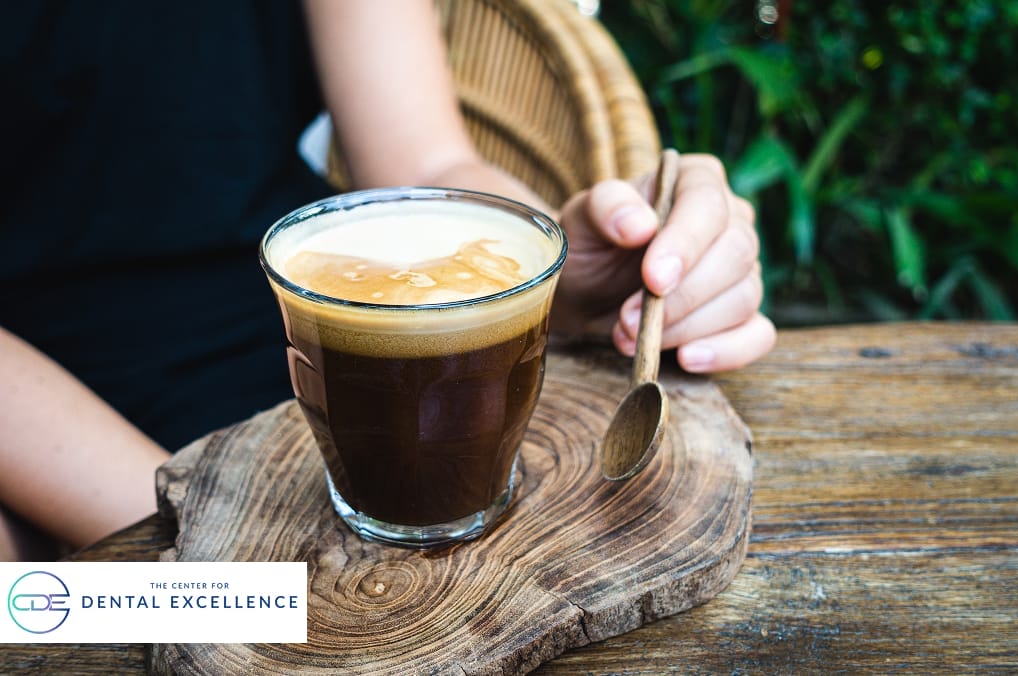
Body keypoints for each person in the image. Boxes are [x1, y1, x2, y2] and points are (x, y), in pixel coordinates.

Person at [0, 1, 774, 561]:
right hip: (44, 441)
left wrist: (564, 277)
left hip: (320, 356)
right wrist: (200, 545)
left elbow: (425, 162)